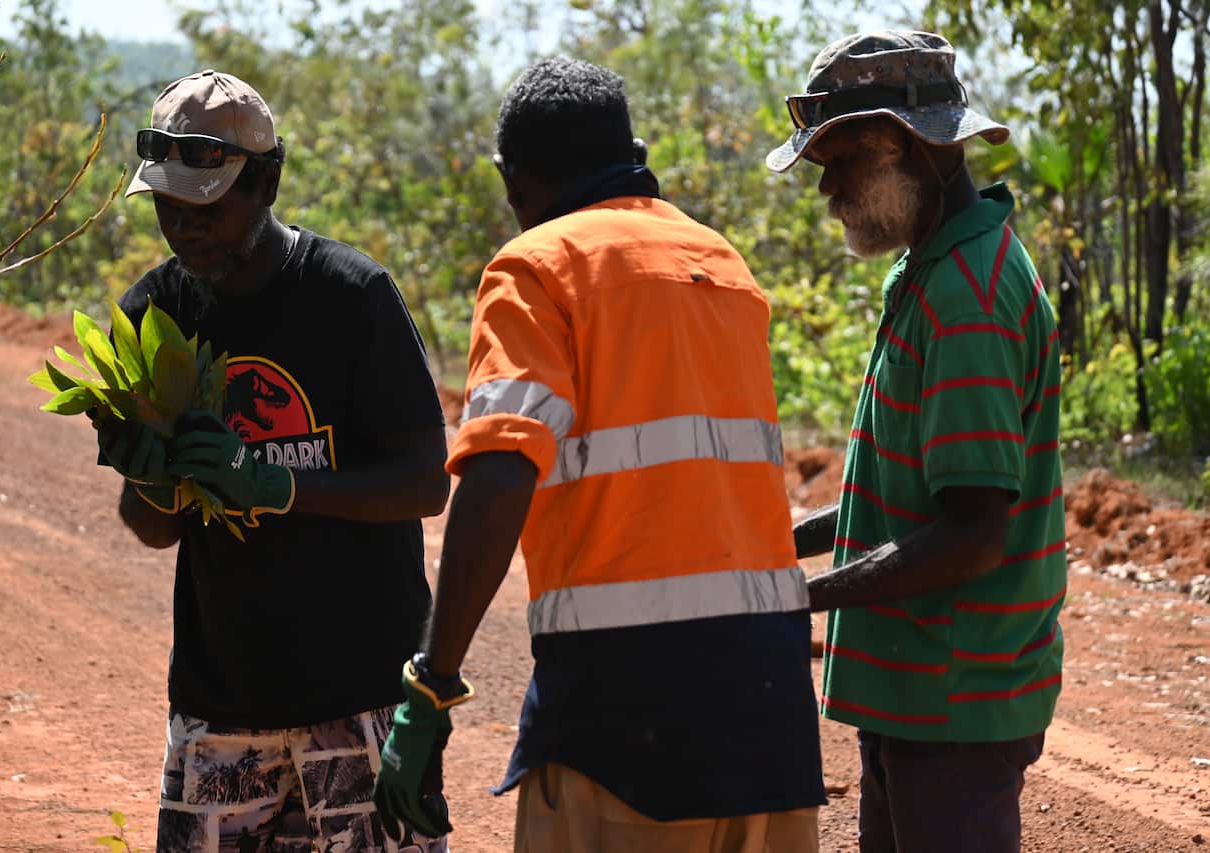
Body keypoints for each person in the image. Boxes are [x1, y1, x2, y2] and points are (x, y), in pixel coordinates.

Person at [371, 57, 826, 852]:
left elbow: (501, 468)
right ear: (636, 150)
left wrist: (432, 683)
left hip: (625, 723)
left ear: (512, 181)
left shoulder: (535, 267)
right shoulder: (724, 265)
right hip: (772, 713)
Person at [95, 69, 451, 853]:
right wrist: (151, 475)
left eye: (208, 208)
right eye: (167, 206)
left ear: (268, 182)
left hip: (358, 701)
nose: (186, 229)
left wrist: (279, 485)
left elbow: (425, 483)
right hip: (220, 703)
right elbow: (150, 527)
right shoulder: (151, 314)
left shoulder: (352, 297)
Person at [765, 31, 1066, 852]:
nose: (826, 190)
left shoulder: (965, 297)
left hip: (954, 701)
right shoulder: (931, 270)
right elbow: (895, 497)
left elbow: (971, 529)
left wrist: (795, 601)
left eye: (837, 163)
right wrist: (770, 548)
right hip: (919, 693)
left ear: (898, 146)